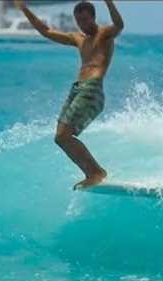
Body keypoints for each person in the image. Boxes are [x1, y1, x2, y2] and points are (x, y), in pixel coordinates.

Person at [14, 0, 124, 190]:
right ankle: (93, 172)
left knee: (64, 136)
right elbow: (46, 31)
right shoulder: (79, 39)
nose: (82, 24)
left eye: (85, 19)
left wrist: (109, 2)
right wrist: (24, 9)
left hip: (92, 89)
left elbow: (119, 25)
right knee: (60, 138)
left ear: (93, 17)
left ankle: (96, 173)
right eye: (78, 20)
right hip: (77, 89)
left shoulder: (104, 34)